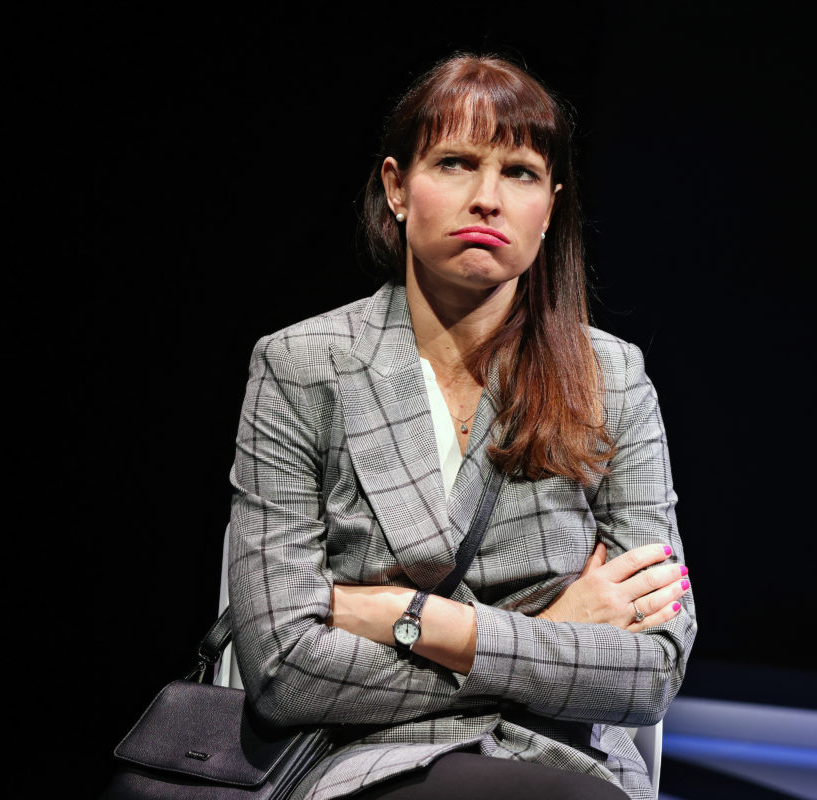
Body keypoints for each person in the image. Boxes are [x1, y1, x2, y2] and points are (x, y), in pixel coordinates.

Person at [228, 53, 696, 800]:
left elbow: (653, 672)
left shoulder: (611, 377)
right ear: (396, 188)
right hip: (367, 762)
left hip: (567, 759)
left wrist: (414, 619)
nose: (487, 198)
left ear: (550, 208)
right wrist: (556, 630)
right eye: (455, 163)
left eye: (520, 173)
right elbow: (283, 670)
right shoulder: (302, 366)